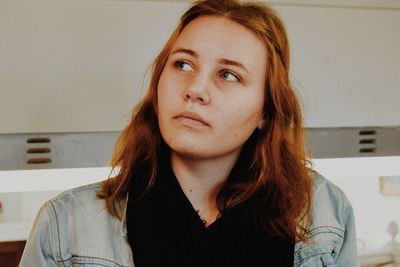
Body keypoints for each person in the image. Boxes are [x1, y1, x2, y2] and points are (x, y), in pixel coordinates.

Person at [19, 0, 359, 266]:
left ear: (266, 112)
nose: (195, 88)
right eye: (183, 64)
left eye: (228, 75)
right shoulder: (66, 224)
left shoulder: (324, 210)